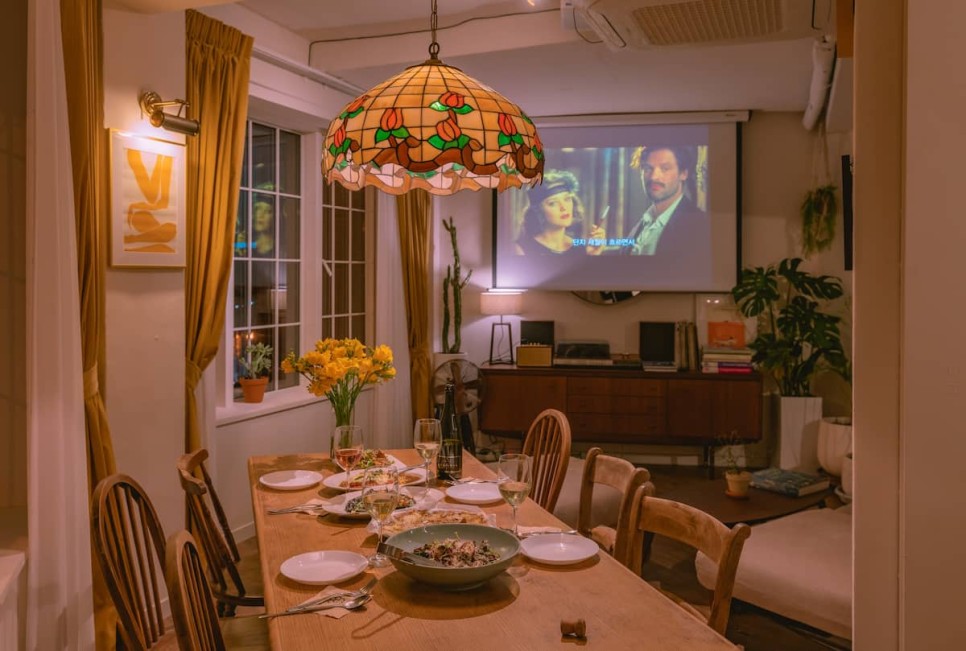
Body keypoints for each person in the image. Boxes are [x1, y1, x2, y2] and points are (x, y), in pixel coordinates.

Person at [623, 145, 711, 267]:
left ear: (683, 173)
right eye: (647, 168)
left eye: (665, 168)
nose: (654, 177)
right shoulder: (640, 225)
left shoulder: (700, 226)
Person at [515, 170, 606, 256]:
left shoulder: (580, 247)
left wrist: (592, 255)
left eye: (567, 199)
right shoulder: (522, 249)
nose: (563, 207)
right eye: (553, 203)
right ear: (539, 211)